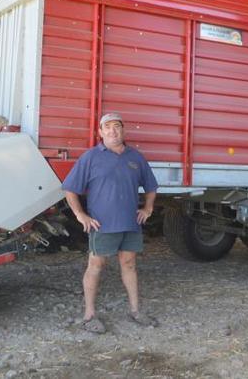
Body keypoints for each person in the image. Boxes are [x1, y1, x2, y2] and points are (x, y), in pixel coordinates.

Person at [62, 113, 158, 334]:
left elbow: (151, 186)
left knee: (129, 264)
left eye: (117, 126)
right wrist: (80, 214)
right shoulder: (91, 157)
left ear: (123, 131)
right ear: (100, 132)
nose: (113, 131)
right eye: (107, 127)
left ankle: (135, 311)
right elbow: (70, 189)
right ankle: (89, 315)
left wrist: (148, 208)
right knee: (96, 266)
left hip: (130, 224)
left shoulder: (136, 157)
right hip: (101, 225)